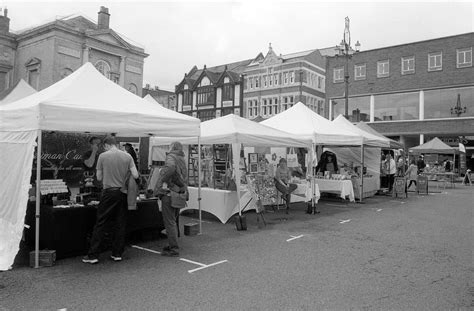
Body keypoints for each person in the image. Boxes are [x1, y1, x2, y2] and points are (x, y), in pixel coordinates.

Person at [82, 136, 139, 264]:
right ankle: (117, 253)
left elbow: (99, 177)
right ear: (116, 144)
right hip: (122, 193)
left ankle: (93, 255)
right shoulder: (127, 156)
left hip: (108, 193)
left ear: (106, 145)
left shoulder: (102, 156)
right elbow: (135, 175)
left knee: (101, 223)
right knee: (120, 223)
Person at [153, 141, 188, 257]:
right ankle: (173, 244)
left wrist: (162, 178)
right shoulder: (181, 158)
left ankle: (173, 248)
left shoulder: (171, 157)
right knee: (173, 220)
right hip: (179, 192)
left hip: (170, 193)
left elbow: (171, 168)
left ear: (172, 147)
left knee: (169, 222)